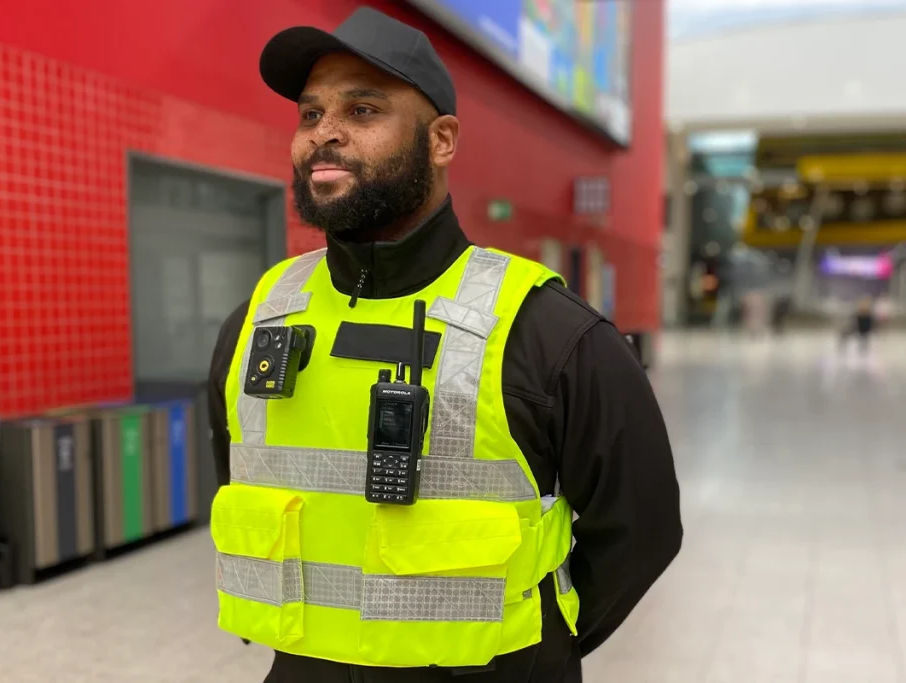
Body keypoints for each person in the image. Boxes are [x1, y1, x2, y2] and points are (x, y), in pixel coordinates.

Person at [207, 8, 682, 683]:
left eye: (363, 109)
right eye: (310, 115)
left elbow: (642, 530)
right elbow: (236, 475)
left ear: (442, 141)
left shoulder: (548, 331)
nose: (326, 134)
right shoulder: (256, 323)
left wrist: (539, 648)